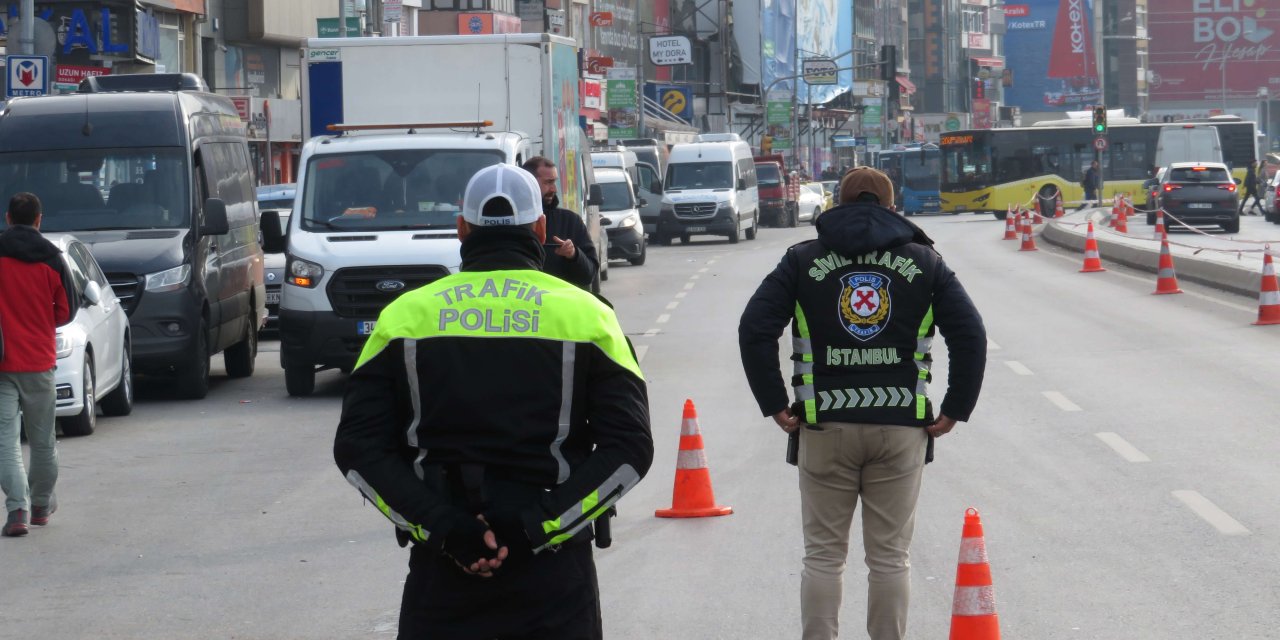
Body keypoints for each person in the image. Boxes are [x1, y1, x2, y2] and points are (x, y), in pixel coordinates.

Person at [333, 163, 653, 638]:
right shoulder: (590, 316)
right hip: (553, 580)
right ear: (541, 228)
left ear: (461, 229)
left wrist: (446, 529)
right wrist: (535, 528)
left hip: (443, 575)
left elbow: (358, 449)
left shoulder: (403, 317)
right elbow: (629, 451)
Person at [738, 167, 986, 640]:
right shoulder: (926, 262)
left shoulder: (802, 260)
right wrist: (955, 407)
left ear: (836, 204)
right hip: (900, 428)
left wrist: (774, 402)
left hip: (824, 426)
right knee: (890, 556)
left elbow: (755, 329)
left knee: (824, 556)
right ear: (891, 205)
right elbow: (970, 334)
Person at [0, 193, 76, 537]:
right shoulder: (53, 259)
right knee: (43, 440)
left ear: (7, 218)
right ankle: (41, 504)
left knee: (5, 442)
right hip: (39, 363)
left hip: (1, 364)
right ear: (39, 220)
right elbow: (66, 311)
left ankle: (17, 510)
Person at [521, 156, 599, 290]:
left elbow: (589, 275)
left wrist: (574, 255)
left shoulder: (570, 221)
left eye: (554, 182)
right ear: (529, 182)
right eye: (548, 182)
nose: (554, 189)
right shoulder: (510, 223)